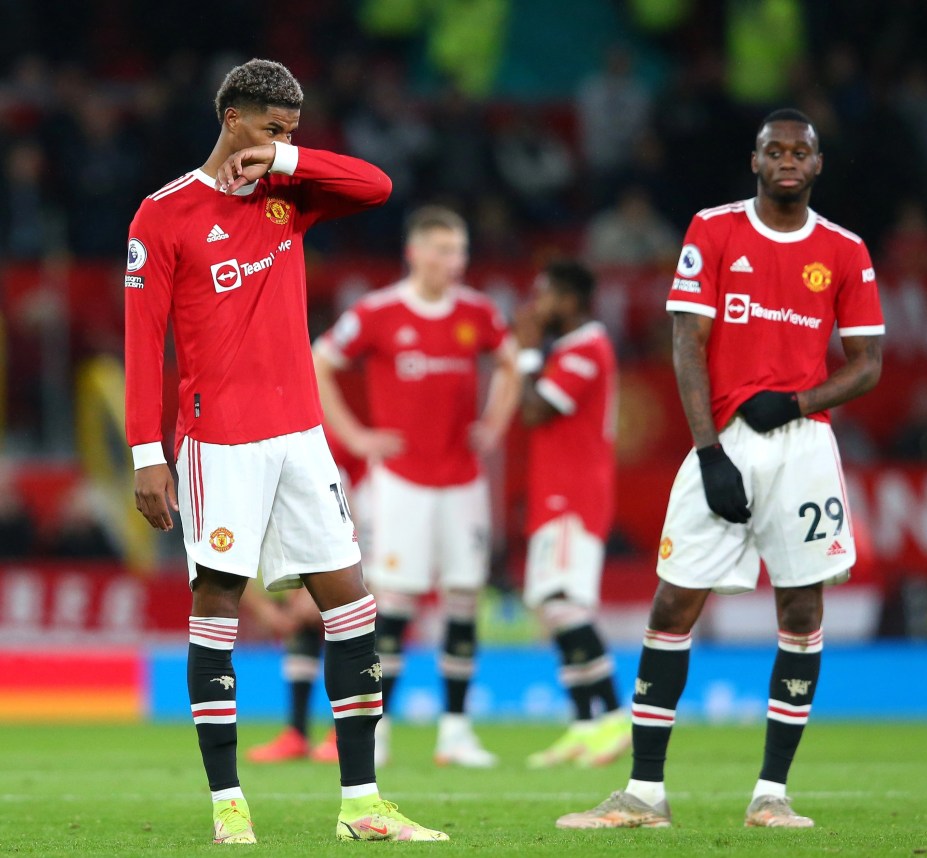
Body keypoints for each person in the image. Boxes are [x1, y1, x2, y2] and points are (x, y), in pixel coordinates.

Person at [124, 58, 447, 844]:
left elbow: (377, 187)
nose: (280, 142)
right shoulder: (162, 216)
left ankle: (363, 804)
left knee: (353, 603)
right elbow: (144, 340)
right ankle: (228, 803)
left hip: (302, 436)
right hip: (218, 441)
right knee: (219, 608)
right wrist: (145, 452)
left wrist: (292, 160)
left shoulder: (286, 194)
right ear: (232, 116)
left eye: (292, 133)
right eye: (271, 129)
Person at [557, 108, 884, 831]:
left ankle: (772, 795)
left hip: (804, 449)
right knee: (674, 603)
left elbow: (868, 367)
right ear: (756, 161)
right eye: (777, 151)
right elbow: (687, 345)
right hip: (726, 440)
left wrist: (797, 400)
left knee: (801, 612)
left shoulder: (846, 248)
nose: (789, 161)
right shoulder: (714, 229)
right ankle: (644, 794)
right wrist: (710, 454)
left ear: (818, 165)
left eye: (802, 151)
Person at [314, 204, 520, 768]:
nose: (456, 262)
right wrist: (355, 436)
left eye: (461, 251)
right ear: (418, 252)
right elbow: (320, 361)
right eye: (446, 250)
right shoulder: (378, 312)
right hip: (400, 482)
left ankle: (455, 732)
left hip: (461, 480)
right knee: (395, 603)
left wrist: (496, 423)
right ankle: (376, 732)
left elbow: (510, 364)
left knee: (462, 599)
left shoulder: (477, 312)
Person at [513, 259, 629, 769]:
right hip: (555, 492)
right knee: (555, 606)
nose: (537, 307)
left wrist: (523, 355)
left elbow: (535, 409)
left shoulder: (586, 348)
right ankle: (584, 726)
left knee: (566, 603)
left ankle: (615, 717)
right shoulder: (569, 348)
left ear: (571, 300)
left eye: (545, 296)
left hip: (573, 496)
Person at [246, 433, 371, 765]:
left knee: (344, 617)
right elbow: (222, 557)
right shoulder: (244, 480)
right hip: (292, 587)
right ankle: (297, 733)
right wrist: (265, 611)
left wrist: (313, 593)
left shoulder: (320, 460)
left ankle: (344, 732)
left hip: (355, 564)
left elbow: (349, 530)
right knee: (302, 627)